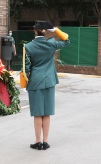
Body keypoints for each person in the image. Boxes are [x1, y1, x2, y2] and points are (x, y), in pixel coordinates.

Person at [25, 20, 70, 150]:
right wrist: (56, 30)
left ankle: (37, 141)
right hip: (49, 81)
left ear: (35, 31)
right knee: (47, 112)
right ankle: (46, 141)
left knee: (38, 113)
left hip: (35, 81)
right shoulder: (51, 43)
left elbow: (26, 68)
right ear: (45, 31)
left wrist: (28, 81)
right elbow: (67, 41)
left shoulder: (28, 47)